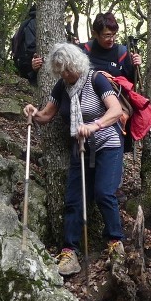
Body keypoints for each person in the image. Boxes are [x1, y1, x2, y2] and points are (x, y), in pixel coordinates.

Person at [23, 42, 126, 277]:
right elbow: (46, 114)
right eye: (61, 71)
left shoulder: (96, 79)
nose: (65, 74)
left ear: (76, 64)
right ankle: (70, 252)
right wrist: (32, 112)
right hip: (81, 149)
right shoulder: (62, 86)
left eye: (68, 69)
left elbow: (116, 111)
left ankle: (115, 243)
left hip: (107, 144)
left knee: (104, 193)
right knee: (73, 200)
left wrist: (93, 126)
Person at [82, 12, 142, 151]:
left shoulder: (122, 52)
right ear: (95, 34)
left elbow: (131, 83)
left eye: (114, 34)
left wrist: (136, 66)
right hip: (87, 115)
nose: (112, 39)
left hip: (114, 117)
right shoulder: (85, 50)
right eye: (107, 35)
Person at [11, 4, 43, 85]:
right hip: (31, 65)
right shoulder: (34, 23)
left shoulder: (26, 23)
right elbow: (31, 46)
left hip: (23, 63)